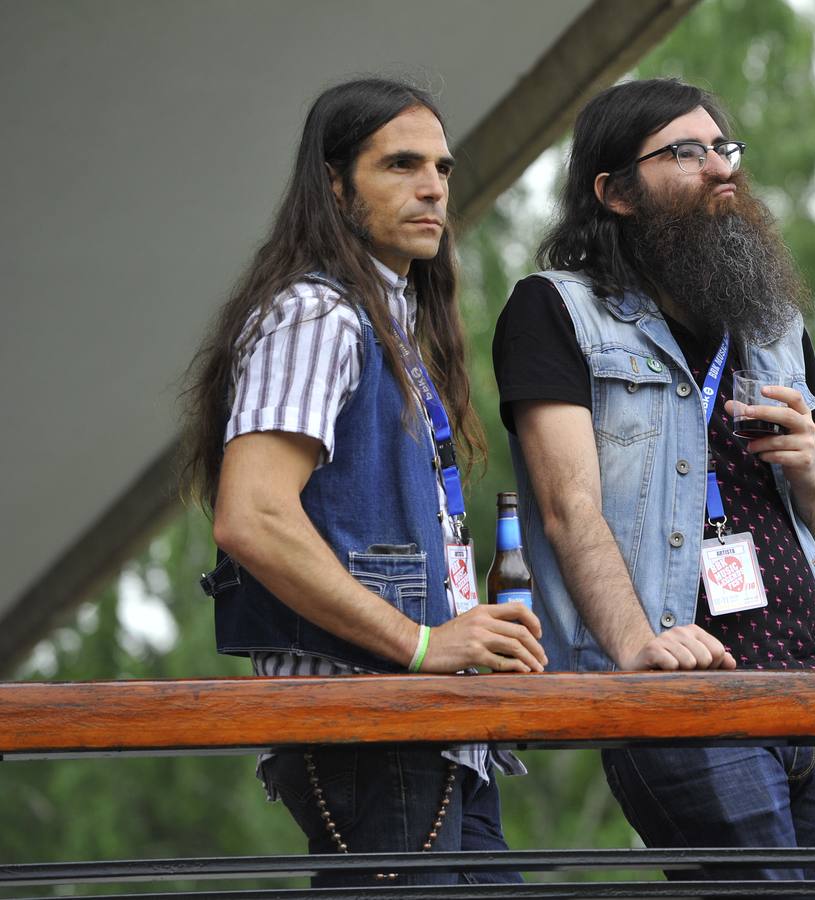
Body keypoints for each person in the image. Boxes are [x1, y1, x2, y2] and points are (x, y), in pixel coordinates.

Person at [183, 78, 546, 886]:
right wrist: (425, 642)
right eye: (401, 165)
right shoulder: (319, 315)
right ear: (336, 187)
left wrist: (464, 643)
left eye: (443, 169)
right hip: (373, 728)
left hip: (430, 729)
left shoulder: (391, 323)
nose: (432, 188)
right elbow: (252, 517)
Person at [492, 77, 815, 884]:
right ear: (615, 192)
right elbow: (566, 507)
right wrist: (637, 648)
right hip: (687, 694)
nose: (721, 169)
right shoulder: (555, 311)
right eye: (684, 152)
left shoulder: (774, 325)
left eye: (723, 148)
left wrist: (814, 475)